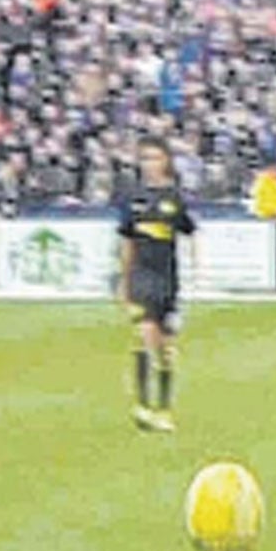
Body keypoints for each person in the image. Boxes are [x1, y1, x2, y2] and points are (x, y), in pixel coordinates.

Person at [117, 135, 199, 434]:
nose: (150, 164)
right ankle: (142, 405)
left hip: (168, 279)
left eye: (155, 158)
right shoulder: (133, 199)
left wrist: (195, 270)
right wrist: (123, 281)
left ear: (166, 161)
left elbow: (190, 233)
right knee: (144, 334)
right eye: (145, 159)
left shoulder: (174, 198)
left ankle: (163, 409)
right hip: (142, 277)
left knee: (165, 348)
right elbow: (125, 243)